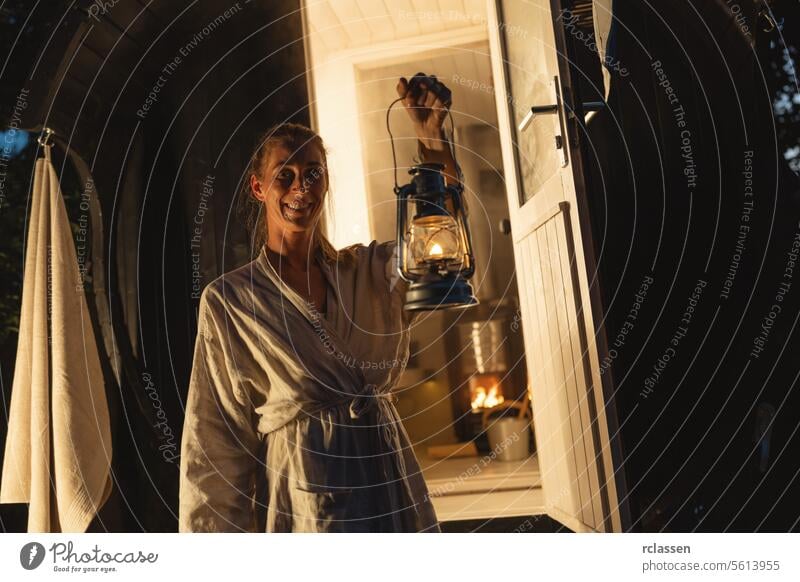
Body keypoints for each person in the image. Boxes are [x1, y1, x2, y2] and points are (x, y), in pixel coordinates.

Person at [179, 75, 462, 532]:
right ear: (258, 188)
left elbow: (441, 241)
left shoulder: (366, 272)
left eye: (313, 174)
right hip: (303, 492)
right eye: (284, 177)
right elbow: (214, 439)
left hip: (385, 472)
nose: (301, 189)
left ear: (326, 182)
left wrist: (431, 138)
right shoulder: (232, 301)